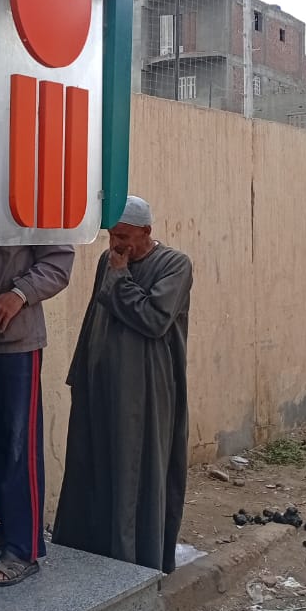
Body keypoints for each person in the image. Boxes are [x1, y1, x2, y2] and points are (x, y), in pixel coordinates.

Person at [52, 196, 193, 575]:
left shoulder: (175, 265)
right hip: (100, 382)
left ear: (146, 232)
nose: (118, 244)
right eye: (113, 236)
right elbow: (95, 317)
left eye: (125, 237)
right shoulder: (109, 260)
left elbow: (154, 319)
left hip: (144, 390)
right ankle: (90, 551)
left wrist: (119, 276)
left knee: (135, 467)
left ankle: (134, 561)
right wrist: (80, 372)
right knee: (93, 463)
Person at [0, 240, 75, 585]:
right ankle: (10, 526)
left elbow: (58, 263)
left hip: (18, 340)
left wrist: (20, 293)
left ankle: (25, 549)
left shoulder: (36, 208)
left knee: (19, 445)